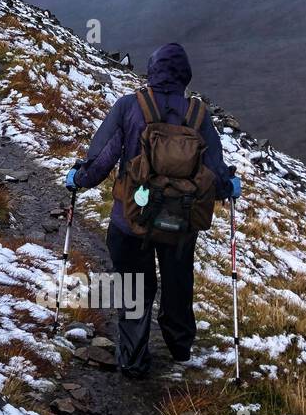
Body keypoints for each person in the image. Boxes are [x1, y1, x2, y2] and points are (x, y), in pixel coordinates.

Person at [64, 43, 239, 378]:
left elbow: (102, 159)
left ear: (152, 70)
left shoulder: (130, 106)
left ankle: (132, 358)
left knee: (133, 286)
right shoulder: (198, 114)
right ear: (185, 76)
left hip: (130, 220)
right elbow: (215, 175)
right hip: (181, 222)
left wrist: (79, 179)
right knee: (177, 283)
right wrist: (230, 187)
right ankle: (180, 349)